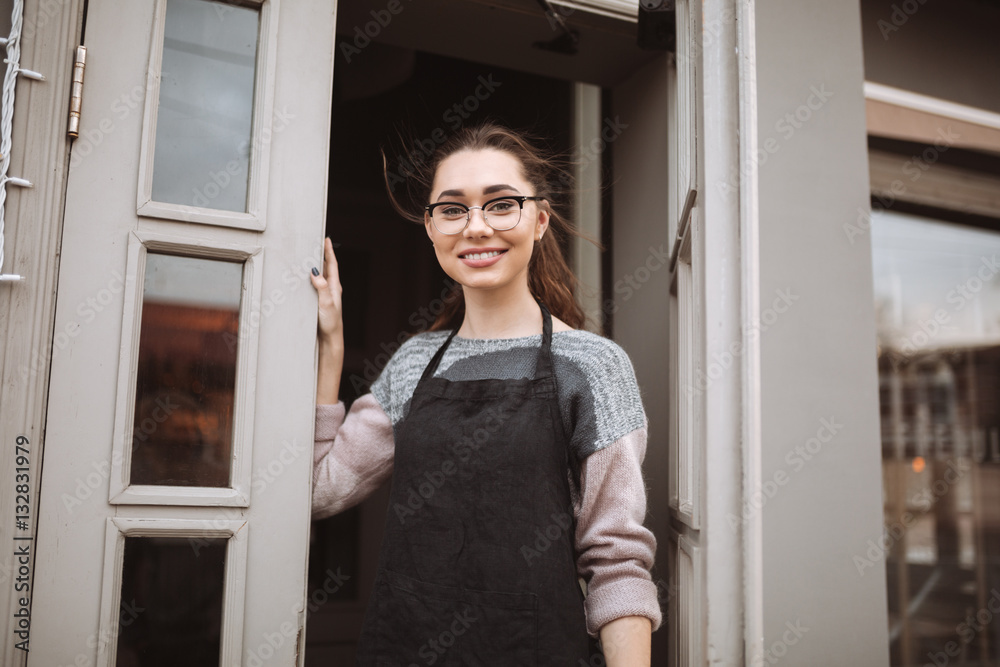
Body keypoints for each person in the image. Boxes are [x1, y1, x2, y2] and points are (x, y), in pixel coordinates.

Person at [309, 123, 660, 666]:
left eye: (501, 205)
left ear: (539, 220)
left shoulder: (593, 366)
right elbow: (319, 491)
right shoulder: (413, 364)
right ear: (431, 228)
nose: (475, 228)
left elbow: (617, 562)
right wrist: (331, 345)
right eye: (452, 209)